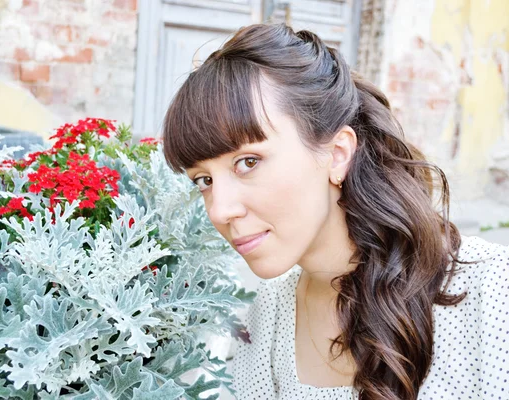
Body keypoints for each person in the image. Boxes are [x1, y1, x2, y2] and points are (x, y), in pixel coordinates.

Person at [161, 23, 509, 400]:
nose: (221, 210)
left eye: (248, 162)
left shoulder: (490, 292)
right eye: (203, 180)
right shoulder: (266, 321)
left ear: (337, 154)